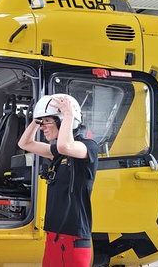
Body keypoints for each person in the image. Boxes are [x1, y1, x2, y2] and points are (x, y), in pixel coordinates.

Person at [18, 93, 98, 267]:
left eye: (48, 122)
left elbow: (65, 145)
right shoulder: (58, 153)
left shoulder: (87, 147)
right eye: (43, 122)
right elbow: (25, 144)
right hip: (54, 235)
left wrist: (68, 114)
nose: (43, 127)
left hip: (73, 237)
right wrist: (36, 119)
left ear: (63, 120)